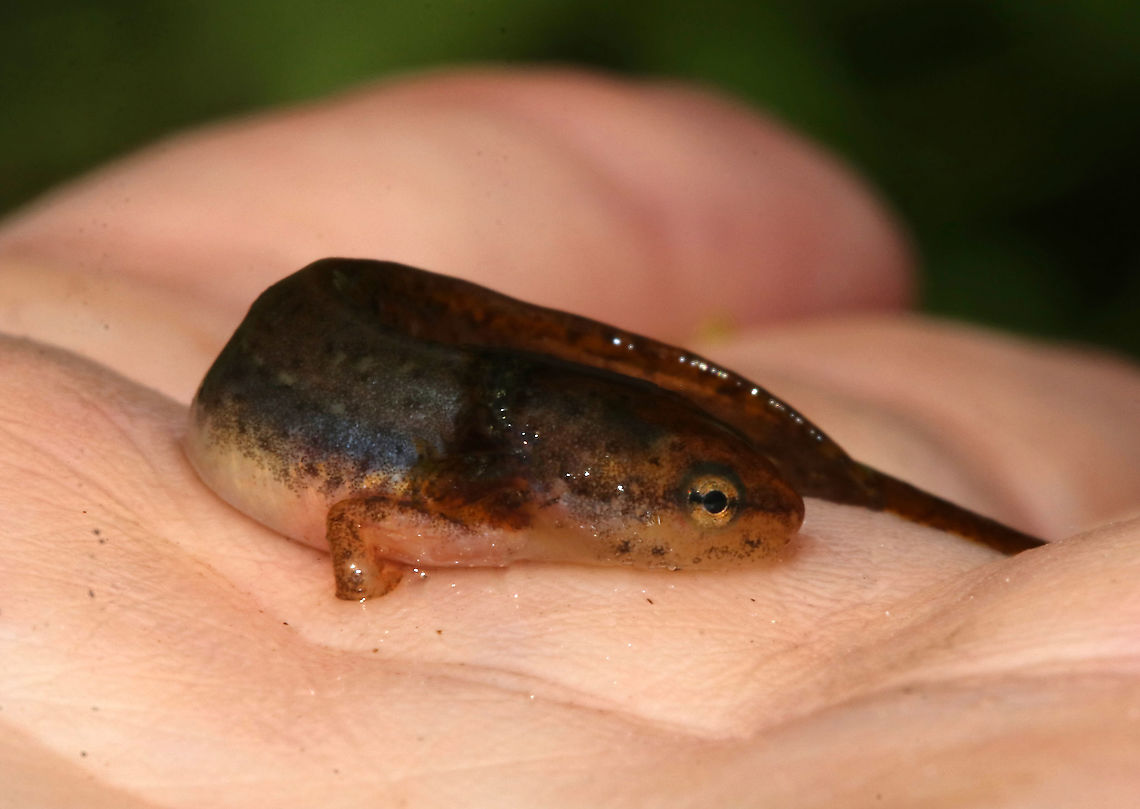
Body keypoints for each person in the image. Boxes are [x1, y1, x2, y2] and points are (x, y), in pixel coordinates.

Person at [1, 68, 1137, 808]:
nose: (758, 524)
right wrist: (362, 589)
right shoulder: (480, 491)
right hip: (285, 371)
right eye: (709, 503)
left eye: (717, 499)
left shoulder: (527, 477)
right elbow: (357, 518)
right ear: (594, 492)